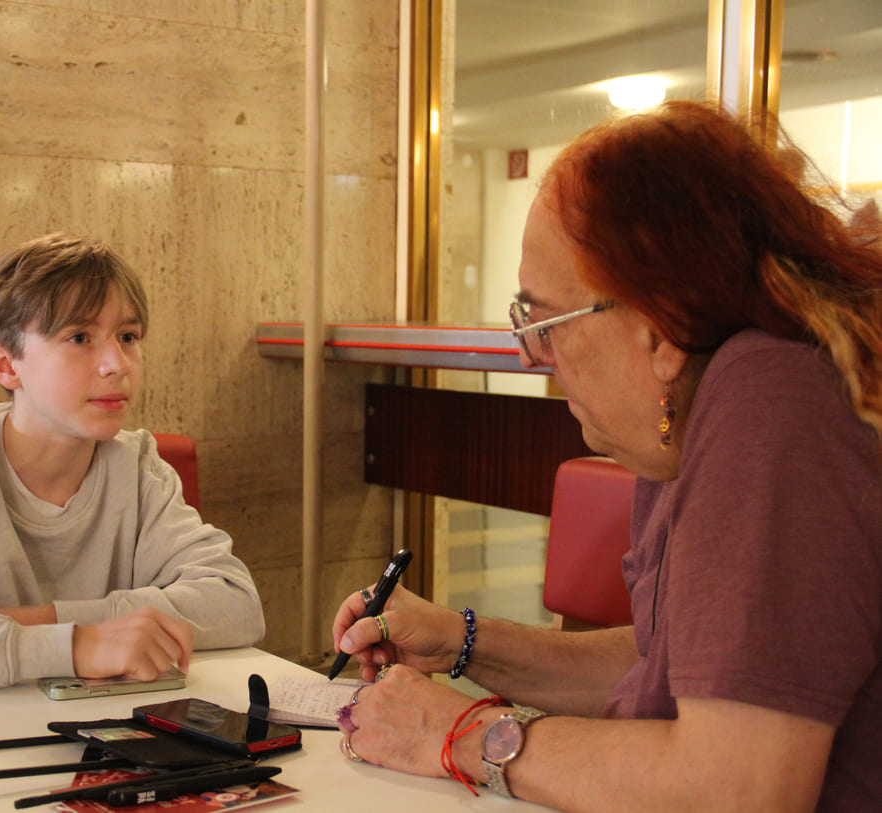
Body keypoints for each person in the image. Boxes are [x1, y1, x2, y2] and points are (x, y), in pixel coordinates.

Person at [331, 101, 882, 812]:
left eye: (547, 324)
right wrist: (461, 641)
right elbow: (676, 666)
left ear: (660, 325)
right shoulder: (683, 420)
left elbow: (740, 787)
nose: (537, 359)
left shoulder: (772, 398)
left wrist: (460, 731)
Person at [0, 234, 265, 693]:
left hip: (106, 733)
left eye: (128, 336)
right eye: (79, 337)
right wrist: (74, 647)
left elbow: (236, 603)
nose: (117, 363)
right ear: (5, 365)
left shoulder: (137, 466)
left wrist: (50, 620)